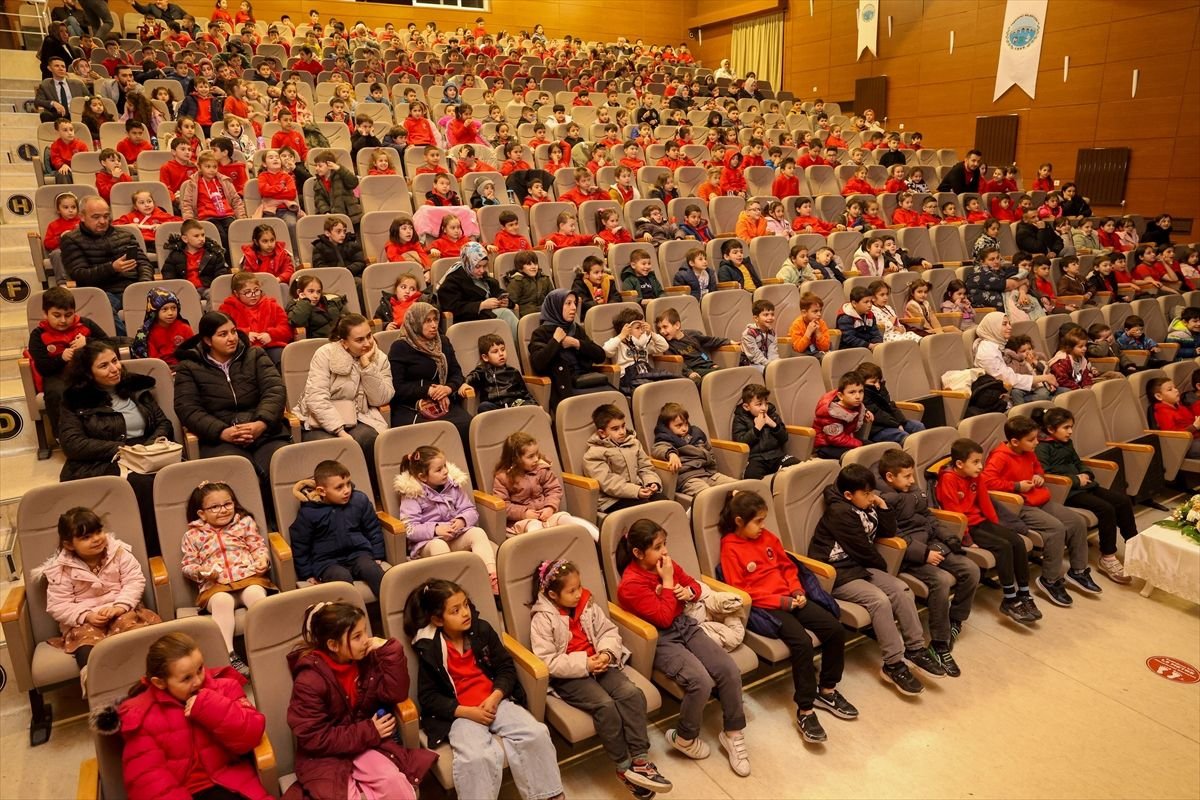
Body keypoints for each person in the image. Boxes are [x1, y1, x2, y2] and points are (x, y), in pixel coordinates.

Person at [405, 579, 565, 800]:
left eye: (465, 604)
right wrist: (466, 712)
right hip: (461, 715)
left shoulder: (482, 630)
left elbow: (505, 669)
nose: (465, 613)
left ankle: (548, 796)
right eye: (455, 610)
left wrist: (496, 695)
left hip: (496, 702)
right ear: (437, 620)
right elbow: (429, 697)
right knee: (475, 757)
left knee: (536, 733)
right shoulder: (429, 647)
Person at [616, 519, 750, 777]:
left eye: (664, 544)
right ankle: (684, 738)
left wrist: (688, 591)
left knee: (728, 670)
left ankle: (732, 733)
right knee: (701, 681)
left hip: (685, 624)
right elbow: (663, 619)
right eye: (657, 547)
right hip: (660, 638)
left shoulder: (667, 564)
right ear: (637, 553)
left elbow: (696, 585)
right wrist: (667, 582)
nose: (664, 551)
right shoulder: (630, 585)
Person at [718, 491, 856, 740]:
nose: (763, 526)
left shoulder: (767, 537)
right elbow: (741, 591)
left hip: (791, 597)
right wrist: (782, 602)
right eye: (757, 521)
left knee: (835, 629)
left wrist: (797, 590)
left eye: (764, 520)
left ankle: (826, 690)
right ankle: (805, 709)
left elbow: (787, 566)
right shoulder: (730, 547)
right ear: (739, 521)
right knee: (801, 643)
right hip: (769, 606)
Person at [529, 559, 674, 795]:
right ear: (553, 595)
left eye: (579, 587)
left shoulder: (587, 604)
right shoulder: (542, 618)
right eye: (571, 591)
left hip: (600, 662)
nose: (578, 594)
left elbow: (607, 631)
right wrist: (584, 664)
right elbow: (548, 661)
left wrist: (606, 653)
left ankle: (639, 761)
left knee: (631, 694)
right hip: (570, 675)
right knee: (605, 706)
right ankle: (623, 767)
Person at [811, 464, 944, 693]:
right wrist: (883, 569)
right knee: (879, 600)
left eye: (872, 492)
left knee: (902, 590)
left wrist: (883, 508)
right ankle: (893, 664)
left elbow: (887, 532)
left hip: (859, 567)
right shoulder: (840, 512)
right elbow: (862, 549)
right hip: (835, 572)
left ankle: (915, 648)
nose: (872, 497)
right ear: (848, 495)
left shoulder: (866, 505)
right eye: (867, 494)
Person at [286, 602, 437, 800]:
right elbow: (314, 738)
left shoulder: (366, 659)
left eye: (365, 631)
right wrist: (370, 731)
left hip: (366, 745)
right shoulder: (309, 681)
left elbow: (396, 694)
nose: (366, 640)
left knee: (394, 782)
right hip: (325, 756)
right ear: (333, 645)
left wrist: (390, 651)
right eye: (357, 636)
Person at [111, 632, 268, 800]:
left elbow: (251, 735)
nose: (198, 681)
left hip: (232, 783)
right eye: (186, 678)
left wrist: (210, 706)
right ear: (159, 682)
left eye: (200, 669)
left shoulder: (225, 687)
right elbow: (148, 783)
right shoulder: (143, 714)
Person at [878, 449, 979, 675]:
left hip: (931, 543)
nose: (913, 480)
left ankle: (955, 621)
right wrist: (923, 554)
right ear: (889, 477)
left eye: (912, 475)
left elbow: (929, 519)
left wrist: (949, 538)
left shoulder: (913, 491)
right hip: (906, 554)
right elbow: (890, 534)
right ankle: (939, 643)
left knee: (971, 569)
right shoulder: (882, 500)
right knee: (941, 581)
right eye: (907, 476)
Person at [982, 416, 1098, 607]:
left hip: (1039, 498)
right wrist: (1016, 486)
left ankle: (1078, 571)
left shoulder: (1029, 451)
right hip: (1019, 505)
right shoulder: (1000, 456)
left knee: (1076, 522)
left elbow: (1038, 468)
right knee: (1056, 529)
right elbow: (987, 482)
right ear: (1014, 441)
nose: (1037, 442)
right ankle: (1049, 580)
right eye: (1032, 439)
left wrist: (1039, 476)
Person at [42, 507, 160, 675]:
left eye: (98, 532)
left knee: (133, 629)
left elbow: (134, 581)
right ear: (69, 544)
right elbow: (58, 605)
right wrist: (86, 615)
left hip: (121, 610)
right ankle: (94, 682)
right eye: (86, 537)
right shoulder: (61, 570)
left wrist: (120, 606)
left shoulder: (119, 553)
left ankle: (147, 673)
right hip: (84, 621)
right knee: (86, 643)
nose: (96, 539)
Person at [174, 311, 289, 477]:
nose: (232, 338)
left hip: (264, 432)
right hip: (220, 439)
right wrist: (222, 432)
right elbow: (188, 409)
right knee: (239, 473)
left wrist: (261, 423)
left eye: (233, 331)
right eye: (223, 334)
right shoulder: (189, 367)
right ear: (208, 340)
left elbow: (275, 391)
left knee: (281, 465)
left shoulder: (255, 355)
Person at [1033, 407, 1138, 585]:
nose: (1070, 431)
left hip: (1084, 484)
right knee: (1106, 509)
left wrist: (1086, 474)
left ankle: (1135, 545)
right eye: (1066, 427)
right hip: (1067, 491)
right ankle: (1108, 556)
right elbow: (1046, 475)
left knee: (1122, 501)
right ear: (1051, 429)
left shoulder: (1067, 443)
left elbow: (1078, 462)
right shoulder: (1042, 448)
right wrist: (1075, 480)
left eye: (1071, 427)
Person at [181, 481, 272, 673]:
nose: (223, 510)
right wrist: (202, 571)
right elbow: (188, 566)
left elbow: (258, 546)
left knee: (256, 593)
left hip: (248, 578)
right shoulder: (192, 535)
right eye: (214, 507)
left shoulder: (244, 523)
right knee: (222, 601)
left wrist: (262, 559)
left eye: (227, 504)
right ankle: (230, 655)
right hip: (216, 587)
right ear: (201, 513)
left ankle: (266, 644)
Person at [293, 313, 392, 465]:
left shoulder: (379, 358)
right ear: (344, 342)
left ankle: (370, 486)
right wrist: (340, 431)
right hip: (320, 421)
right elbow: (316, 398)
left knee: (369, 440)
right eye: (359, 340)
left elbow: (381, 399)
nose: (367, 343)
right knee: (334, 448)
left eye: (369, 336)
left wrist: (367, 367)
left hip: (360, 417)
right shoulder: (325, 354)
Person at [290, 459, 387, 597]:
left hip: (358, 554)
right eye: (339, 487)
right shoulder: (309, 512)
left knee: (373, 571)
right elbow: (300, 544)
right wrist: (307, 573)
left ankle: (392, 611)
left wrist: (377, 554)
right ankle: (353, 616)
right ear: (321, 491)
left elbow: (372, 528)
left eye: (348, 484)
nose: (347, 490)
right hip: (326, 562)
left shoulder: (359, 500)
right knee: (342, 580)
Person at [59, 197, 152, 335]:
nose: (102, 221)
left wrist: (143, 285)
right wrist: (112, 268)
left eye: (106, 216)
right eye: (96, 217)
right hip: (102, 291)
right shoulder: (71, 240)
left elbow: (144, 263)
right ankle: (128, 344)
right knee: (101, 305)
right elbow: (79, 274)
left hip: (132, 287)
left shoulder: (126, 235)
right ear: (82, 217)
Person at [387, 301, 472, 441]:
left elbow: (456, 373)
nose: (433, 325)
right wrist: (428, 391)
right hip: (410, 405)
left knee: (467, 424)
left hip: (443, 402)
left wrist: (447, 389)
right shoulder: (400, 347)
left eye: (435, 320)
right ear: (415, 323)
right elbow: (396, 388)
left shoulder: (443, 342)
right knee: (428, 434)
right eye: (427, 321)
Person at [492, 431, 599, 539]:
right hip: (522, 521)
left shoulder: (541, 469)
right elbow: (504, 505)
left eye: (536, 454)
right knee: (535, 527)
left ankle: (600, 542)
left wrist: (550, 507)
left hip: (546, 515)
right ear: (516, 459)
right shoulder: (503, 477)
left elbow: (554, 490)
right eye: (530, 456)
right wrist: (524, 513)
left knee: (567, 520)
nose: (536, 459)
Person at [528, 290, 609, 406]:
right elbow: (538, 364)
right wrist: (555, 341)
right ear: (555, 306)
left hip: (587, 382)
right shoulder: (541, 333)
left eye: (575, 303)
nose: (574, 308)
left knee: (615, 401)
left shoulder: (576, 329)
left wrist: (576, 343)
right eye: (568, 303)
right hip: (565, 387)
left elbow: (600, 356)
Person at [584, 403, 665, 513]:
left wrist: (651, 482)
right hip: (612, 500)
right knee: (648, 511)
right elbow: (608, 483)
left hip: (639, 490)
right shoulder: (594, 454)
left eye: (623, 426)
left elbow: (645, 467)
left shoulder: (634, 443)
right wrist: (636, 491)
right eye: (615, 429)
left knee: (666, 505)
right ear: (602, 433)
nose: (622, 432)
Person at [436, 242, 519, 338]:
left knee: (507, 312)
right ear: (468, 264)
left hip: (488, 316)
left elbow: (497, 290)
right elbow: (453, 307)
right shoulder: (453, 280)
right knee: (505, 314)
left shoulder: (482, 276)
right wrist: (481, 305)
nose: (482, 270)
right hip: (469, 320)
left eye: (484, 266)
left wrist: (506, 301)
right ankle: (521, 349)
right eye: (478, 266)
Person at [971, 313, 1058, 404]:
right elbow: (1009, 379)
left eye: (1009, 323)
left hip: (1011, 390)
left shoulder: (996, 345)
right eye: (1004, 324)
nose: (1010, 327)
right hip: (1002, 398)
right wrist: (1043, 378)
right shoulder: (987, 351)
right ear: (993, 327)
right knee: (1044, 395)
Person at [652, 402, 736, 496]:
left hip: (708, 473)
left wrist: (711, 466)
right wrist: (671, 454)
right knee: (709, 495)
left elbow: (709, 452)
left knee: (738, 487)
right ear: (667, 427)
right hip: (688, 478)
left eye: (686, 424)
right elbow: (658, 449)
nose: (684, 428)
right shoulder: (665, 438)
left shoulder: (696, 433)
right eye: (679, 425)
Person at [218, 271, 291, 364]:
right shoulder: (227, 308)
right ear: (236, 293)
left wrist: (271, 335)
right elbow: (222, 331)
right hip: (243, 348)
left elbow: (286, 328)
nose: (254, 295)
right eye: (247, 292)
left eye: (256, 290)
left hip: (271, 346)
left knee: (281, 358)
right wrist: (245, 335)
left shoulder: (272, 305)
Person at [462, 333, 535, 412]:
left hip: (514, 405)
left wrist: (535, 405)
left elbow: (525, 393)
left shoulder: (513, 371)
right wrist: (465, 383)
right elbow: (472, 377)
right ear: (485, 357)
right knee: (483, 406)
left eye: (503, 349)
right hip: (495, 407)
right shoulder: (482, 371)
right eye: (495, 351)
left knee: (526, 404)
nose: (501, 354)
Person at [732, 384, 793, 478]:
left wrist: (774, 425)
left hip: (777, 456)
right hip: (755, 459)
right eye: (759, 404)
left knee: (797, 467)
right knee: (751, 475)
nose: (764, 408)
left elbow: (784, 438)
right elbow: (741, 442)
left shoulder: (772, 414)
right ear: (746, 407)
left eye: (766, 403)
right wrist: (757, 428)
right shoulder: (741, 418)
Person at [858, 362, 925, 444]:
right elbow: (878, 414)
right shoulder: (863, 394)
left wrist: (901, 421)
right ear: (863, 383)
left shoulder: (881, 388)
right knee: (903, 436)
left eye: (879, 381)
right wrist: (897, 425)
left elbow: (890, 405)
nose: (878, 385)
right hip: (877, 430)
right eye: (873, 382)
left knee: (918, 426)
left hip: (891, 423)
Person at [130, 286, 193, 366]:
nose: (170, 313)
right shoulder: (148, 333)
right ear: (155, 311)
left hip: (185, 367)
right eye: (165, 309)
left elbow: (194, 353)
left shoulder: (185, 328)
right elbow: (153, 361)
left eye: (173, 308)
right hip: (162, 369)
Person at [1147, 377, 1200, 458]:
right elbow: (1172, 435)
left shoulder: (1180, 407)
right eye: (1170, 389)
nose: (1176, 390)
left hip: (1195, 438)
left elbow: (1192, 420)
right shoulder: (1162, 412)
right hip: (1184, 445)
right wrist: (1194, 427)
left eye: (1175, 387)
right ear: (1159, 396)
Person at [836, 286, 883, 351]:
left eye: (871, 302)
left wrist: (877, 343)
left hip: (867, 346)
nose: (870, 305)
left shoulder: (870, 315)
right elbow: (849, 339)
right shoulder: (845, 318)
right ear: (854, 303)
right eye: (866, 302)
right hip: (850, 349)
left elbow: (875, 333)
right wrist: (868, 345)